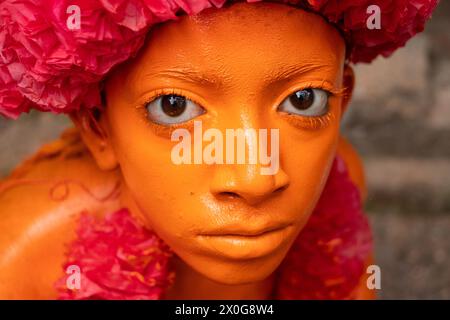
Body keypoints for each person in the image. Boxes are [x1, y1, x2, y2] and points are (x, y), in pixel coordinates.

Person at [0, 0, 438, 299]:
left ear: (342, 101)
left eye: (304, 101)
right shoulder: (25, 253)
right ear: (98, 127)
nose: (255, 178)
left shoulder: (342, 191)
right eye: (174, 107)